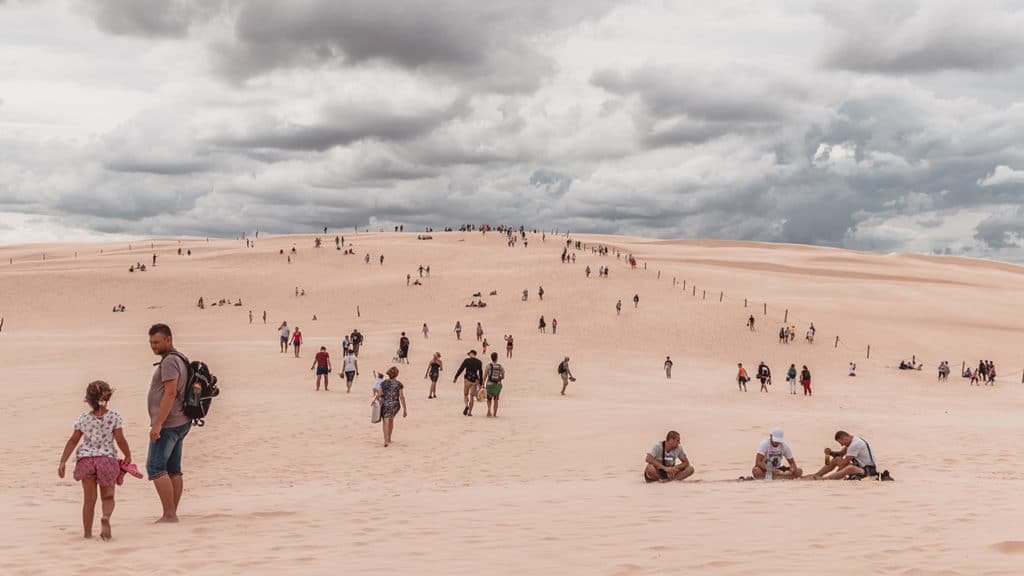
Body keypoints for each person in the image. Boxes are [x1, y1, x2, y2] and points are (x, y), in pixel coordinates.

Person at [58, 380, 133, 540]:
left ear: (88, 399)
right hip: (106, 460)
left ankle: (87, 534)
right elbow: (120, 439)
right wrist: (127, 454)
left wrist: (63, 461)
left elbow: (73, 440)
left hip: (86, 461)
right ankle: (105, 516)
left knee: (89, 500)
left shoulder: (83, 418)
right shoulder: (114, 417)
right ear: (108, 397)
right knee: (108, 496)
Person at [146, 323, 191, 523]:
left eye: (157, 342)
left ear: (168, 339)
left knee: (155, 468)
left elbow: (170, 393)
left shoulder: (170, 362)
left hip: (169, 424)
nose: (153, 346)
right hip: (180, 421)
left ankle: (169, 514)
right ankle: (172, 512)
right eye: (151, 342)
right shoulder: (179, 357)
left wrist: (158, 424)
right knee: (173, 469)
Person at [809, 431, 882, 480]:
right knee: (837, 459)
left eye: (841, 442)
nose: (841, 445)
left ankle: (824, 479)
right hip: (859, 466)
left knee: (849, 468)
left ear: (845, 438)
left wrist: (835, 474)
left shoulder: (855, 444)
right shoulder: (851, 441)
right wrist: (828, 454)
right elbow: (840, 454)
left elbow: (844, 464)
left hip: (869, 471)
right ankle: (817, 475)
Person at [378, 367, 407, 447]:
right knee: (391, 420)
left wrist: (378, 399)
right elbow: (401, 397)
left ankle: (385, 440)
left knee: (385, 421)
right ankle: (389, 438)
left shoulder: (383, 383)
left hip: (385, 404)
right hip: (395, 405)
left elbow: (379, 394)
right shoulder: (399, 384)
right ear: (397, 374)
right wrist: (405, 409)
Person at [453, 350, 484, 416]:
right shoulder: (479, 362)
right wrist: (481, 383)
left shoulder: (466, 360)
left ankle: (467, 405)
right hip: (475, 380)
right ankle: (469, 412)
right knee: (472, 396)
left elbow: (461, 369)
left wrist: (456, 377)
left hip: (467, 379)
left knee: (465, 394)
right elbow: (481, 373)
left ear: (471, 353)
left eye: (469, 354)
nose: (469, 355)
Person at [483, 352, 505, 417]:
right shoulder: (500, 366)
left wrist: (483, 383)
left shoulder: (488, 366)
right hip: (498, 385)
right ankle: (495, 414)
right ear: (497, 358)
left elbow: (485, 375)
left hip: (489, 384)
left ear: (491, 358)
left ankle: (489, 410)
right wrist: (498, 378)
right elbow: (503, 376)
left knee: (489, 399)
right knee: (496, 399)